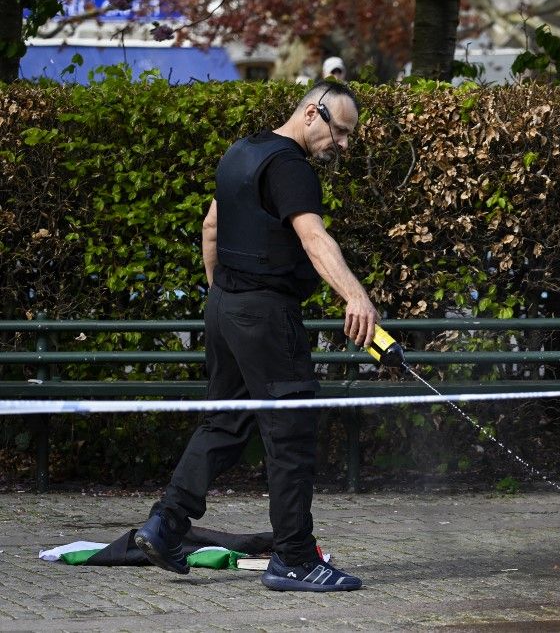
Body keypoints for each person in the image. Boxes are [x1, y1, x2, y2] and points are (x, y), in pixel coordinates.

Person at [134, 80, 379, 592]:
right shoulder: (290, 167)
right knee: (291, 432)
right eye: (340, 132)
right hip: (266, 315)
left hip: (225, 307)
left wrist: (221, 300)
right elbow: (314, 238)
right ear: (313, 113)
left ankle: (165, 523)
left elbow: (210, 228)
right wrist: (355, 295)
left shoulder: (240, 152)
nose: (344, 145)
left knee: (223, 423)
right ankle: (293, 558)